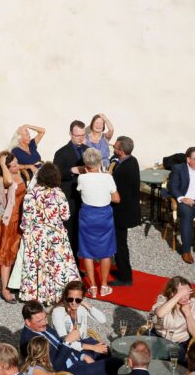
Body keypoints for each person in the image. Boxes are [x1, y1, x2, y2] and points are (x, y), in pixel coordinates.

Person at [19, 162, 79, 304]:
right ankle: (56, 295)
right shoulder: (59, 193)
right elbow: (65, 216)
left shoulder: (30, 194)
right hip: (55, 234)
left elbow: (25, 220)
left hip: (36, 235)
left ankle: (37, 295)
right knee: (56, 265)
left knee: (37, 265)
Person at [19, 301, 115, 375]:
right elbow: (54, 368)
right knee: (114, 363)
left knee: (105, 350)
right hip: (67, 374)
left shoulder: (41, 326)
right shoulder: (29, 342)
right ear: (27, 322)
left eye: (45, 318)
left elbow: (60, 342)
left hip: (74, 359)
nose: (44, 323)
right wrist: (67, 343)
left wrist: (82, 356)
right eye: (39, 321)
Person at [0, 151, 28, 302]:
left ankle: (18, 282)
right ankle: (4, 289)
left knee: (23, 253)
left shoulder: (18, 171)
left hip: (25, 219)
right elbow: (9, 181)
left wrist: (30, 166)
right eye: (13, 166)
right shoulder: (1, 179)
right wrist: (3, 165)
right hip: (12, 222)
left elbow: (22, 168)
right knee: (7, 256)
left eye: (17, 163)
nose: (17, 167)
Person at [77, 148, 120, 297]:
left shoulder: (82, 178)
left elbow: (80, 190)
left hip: (87, 215)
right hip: (104, 216)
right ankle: (104, 285)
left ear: (86, 164)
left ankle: (93, 287)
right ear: (100, 162)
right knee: (106, 251)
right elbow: (117, 199)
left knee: (87, 251)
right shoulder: (107, 178)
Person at [110, 136, 141, 287]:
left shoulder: (123, 170)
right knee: (120, 243)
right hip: (126, 210)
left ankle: (125, 277)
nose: (113, 149)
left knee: (120, 245)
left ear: (121, 151)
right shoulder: (132, 160)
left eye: (115, 147)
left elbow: (116, 194)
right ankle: (123, 271)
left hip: (122, 213)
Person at [52, 120, 87, 251]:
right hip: (69, 197)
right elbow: (55, 176)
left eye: (83, 135)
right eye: (77, 135)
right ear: (70, 134)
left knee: (82, 231)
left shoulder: (87, 150)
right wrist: (71, 170)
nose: (80, 138)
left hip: (84, 196)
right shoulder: (61, 152)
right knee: (70, 231)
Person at [151, 276, 195, 353]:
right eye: (182, 294)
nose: (186, 297)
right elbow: (160, 314)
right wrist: (178, 295)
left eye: (187, 293)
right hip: (158, 338)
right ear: (172, 294)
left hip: (179, 343)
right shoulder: (163, 300)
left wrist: (188, 314)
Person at [51, 280, 108, 353]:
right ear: (66, 297)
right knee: (99, 355)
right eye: (70, 299)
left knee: (106, 350)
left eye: (77, 299)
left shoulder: (81, 308)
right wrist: (93, 347)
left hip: (83, 340)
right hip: (69, 346)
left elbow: (102, 320)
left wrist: (87, 305)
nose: (74, 303)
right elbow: (64, 339)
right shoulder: (58, 312)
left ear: (82, 298)